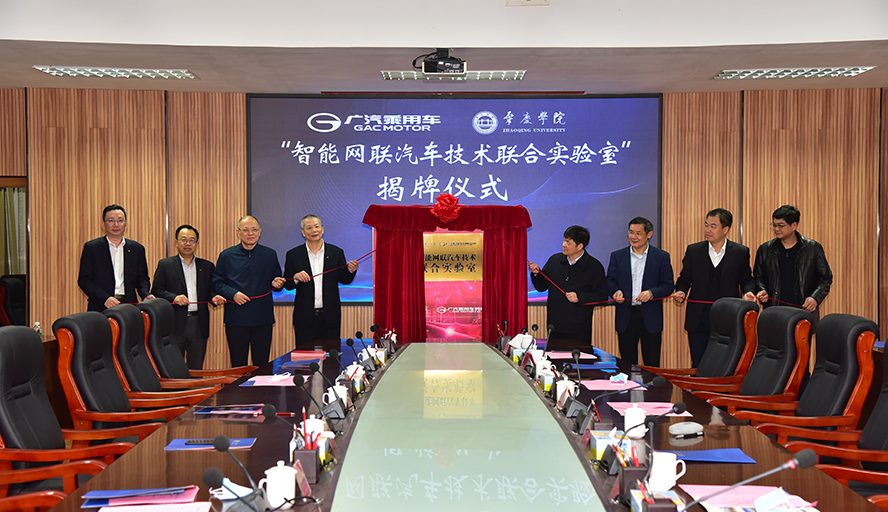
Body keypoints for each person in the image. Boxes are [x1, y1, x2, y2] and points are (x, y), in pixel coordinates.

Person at [674, 208, 756, 367]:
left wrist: (748, 292)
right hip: (698, 318)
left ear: (725, 229)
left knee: (725, 364)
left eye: (713, 226)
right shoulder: (694, 250)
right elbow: (684, 279)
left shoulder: (740, 252)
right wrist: (681, 291)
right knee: (698, 364)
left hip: (728, 317)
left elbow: (747, 279)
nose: (708, 230)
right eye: (706, 225)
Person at [213, 216, 285, 367]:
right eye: (245, 230)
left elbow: (277, 281)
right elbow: (217, 283)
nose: (250, 233)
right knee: (238, 365)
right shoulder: (227, 255)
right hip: (236, 318)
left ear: (260, 232)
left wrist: (276, 283)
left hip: (263, 318)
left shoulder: (269, 254)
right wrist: (233, 294)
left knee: (262, 365)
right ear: (238, 232)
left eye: (254, 229)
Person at [151, 225, 226, 370]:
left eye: (192, 240)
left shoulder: (207, 266)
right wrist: (174, 298)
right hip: (174, 323)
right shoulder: (166, 265)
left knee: (196, 368)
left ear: (197, 243)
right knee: (174, 368)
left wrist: (215, 297)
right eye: (183, 239)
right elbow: (156, 290)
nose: (187, 243)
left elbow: (210, 291)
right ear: (176, 242)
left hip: (199, 324)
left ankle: (194, 386)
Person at [606, 217, 674, 366]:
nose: (633, 237)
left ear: (649, 234)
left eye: (638, 233)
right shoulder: (617, 256)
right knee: (627, 365)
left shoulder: (661, 256)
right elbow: (610, 281)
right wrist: (615, 292)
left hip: (650, 317)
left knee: (651, 364)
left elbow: (668, 286)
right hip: (626, 317)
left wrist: (652, 293)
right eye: (631, 232)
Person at [283, 215, 358, 347]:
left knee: (331, 356)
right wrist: (295, 277)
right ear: (303, 232)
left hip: (330, 318)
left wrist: (351, 271)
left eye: (316, 227)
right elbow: (288, 284)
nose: (314, 230)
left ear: (322, 229)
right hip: (305, 318)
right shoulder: (293, 255)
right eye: (309, 228)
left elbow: (345, 279)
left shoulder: (336, 252)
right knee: (305, 357)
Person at [528, 225, 608, 349]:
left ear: (580, 246)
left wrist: (579, 297)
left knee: (577, 359)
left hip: (579, 330)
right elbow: (541, 287)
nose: (563, 245)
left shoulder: (594, 266)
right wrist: (536, 274)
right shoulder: (555, 261)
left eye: (568, 242)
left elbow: (602, 296)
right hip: (554, 327)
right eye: (564, 240)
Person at [753, 205, 832, 321]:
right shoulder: (765, 249)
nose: (776, 229)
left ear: (794, 226)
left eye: (781, 226)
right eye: (774, 225)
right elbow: (758, 278)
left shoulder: (813, 248)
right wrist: (762, 290)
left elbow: (825, 278)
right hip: (774, 312)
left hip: (803, 312)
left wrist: (815, 298)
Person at [78, 204, 153, 312]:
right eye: (111, 220)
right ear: (103, 224)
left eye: (120, 220)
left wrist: (145, 294)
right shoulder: (92, 248)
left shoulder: (137, 249)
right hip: (100, 306)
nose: (116, 224)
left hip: (129, 306)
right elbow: (84, 280)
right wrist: (104, 298)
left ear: (126, 224)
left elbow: (142, 279)